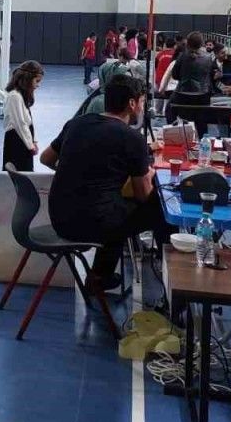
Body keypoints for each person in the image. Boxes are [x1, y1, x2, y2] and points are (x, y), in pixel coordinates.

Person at [41, 74, 170, 291]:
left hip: (59, 217)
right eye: (141, 101)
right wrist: (149, 174)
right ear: (132, 103)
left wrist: (75, 171)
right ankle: (169, 277)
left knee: (112, 204)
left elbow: (46, 159)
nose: (142, 107)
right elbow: (142, 195)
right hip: (91, 225)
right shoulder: (132, 138)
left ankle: (100, 274)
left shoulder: (77, 123)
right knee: (160, 207)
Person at [2, 60, 45, 171]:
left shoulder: (21, 96)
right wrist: (30, 145)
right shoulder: (14, 96)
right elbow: (20, 123)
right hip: (16, 141)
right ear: (28, 79)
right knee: (18, 171)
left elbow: (29, 121)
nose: (38, 85)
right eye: (37, 81)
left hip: (23, 139)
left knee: (27, 170)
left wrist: (34, 141)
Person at [169, 31, 216, 98]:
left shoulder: (181, 56)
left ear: (188, 43)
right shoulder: (208, 58)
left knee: (169, 103)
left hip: (182, 94)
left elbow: (175, 76)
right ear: (201, 44)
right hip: (202, 95)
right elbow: (209, 76)